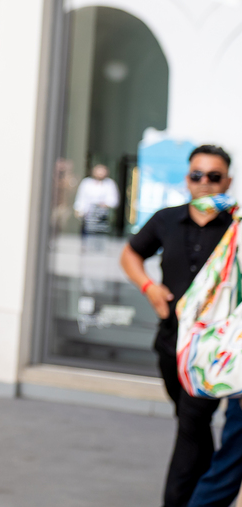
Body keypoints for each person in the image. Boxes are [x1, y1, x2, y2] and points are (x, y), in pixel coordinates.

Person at [120, 144, 235, 507]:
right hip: (171, 342)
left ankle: (181, 501)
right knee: (191, 425)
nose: (204, 182)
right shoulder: (166, 219)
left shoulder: (236, 226)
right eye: (197, 175)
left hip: (211, 348)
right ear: (187, 179)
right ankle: (208, 486)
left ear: (227, 181)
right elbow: (131, 253)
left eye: (214, 176)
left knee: (191, 423)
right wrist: (149, 288)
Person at [74, 163, 120, 236]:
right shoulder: (86, 183)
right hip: (88, 216)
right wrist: (78, 209)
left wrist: (103, 204)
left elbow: (113, 201)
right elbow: (81, 197)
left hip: (102, 217)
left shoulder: (109, 184)